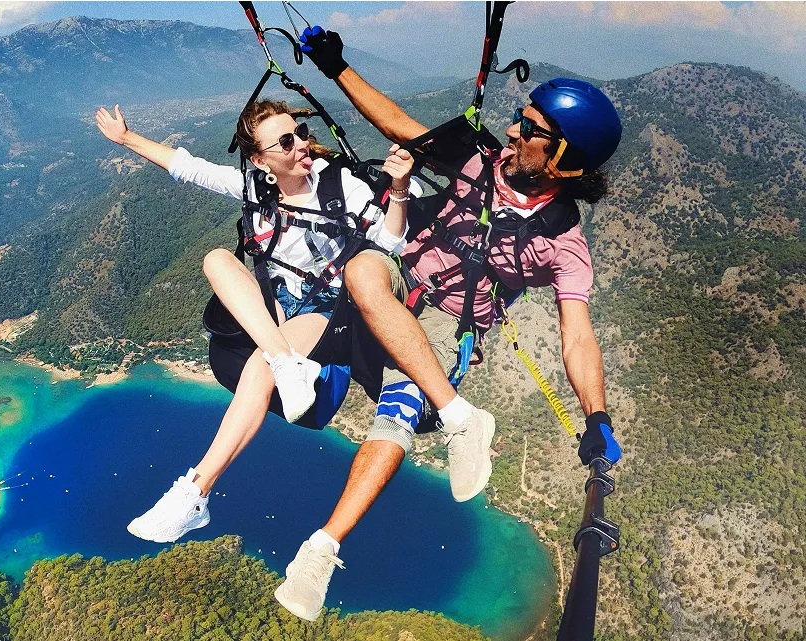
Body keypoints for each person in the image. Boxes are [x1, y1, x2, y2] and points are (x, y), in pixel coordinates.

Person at [264, 26, 628, 622]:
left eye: (531, 129)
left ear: (563, 159)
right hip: (401, 276)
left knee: (396, 415)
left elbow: (576, 333)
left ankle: (321, 551)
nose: (513, 130)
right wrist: (336, 67)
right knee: (359, 273)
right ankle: (461, 420)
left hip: (446, 324)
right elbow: (398, 125)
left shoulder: (563, 242)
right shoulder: (477, 159)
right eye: (518, 116)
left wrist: (597, 415)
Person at [94, 99, 418, 544]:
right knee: (216, 259)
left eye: (300, 133)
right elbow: (189, 168)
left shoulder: (340, 186)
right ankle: (285, 361)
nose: (301, 144)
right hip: (277, 305)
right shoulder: (254, 189)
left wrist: (398, 189)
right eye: (285, 141)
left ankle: (195, 492)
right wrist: (126, 138)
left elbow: (390, 242)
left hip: (328, 310)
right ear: (260, 159)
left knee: (259, 368)